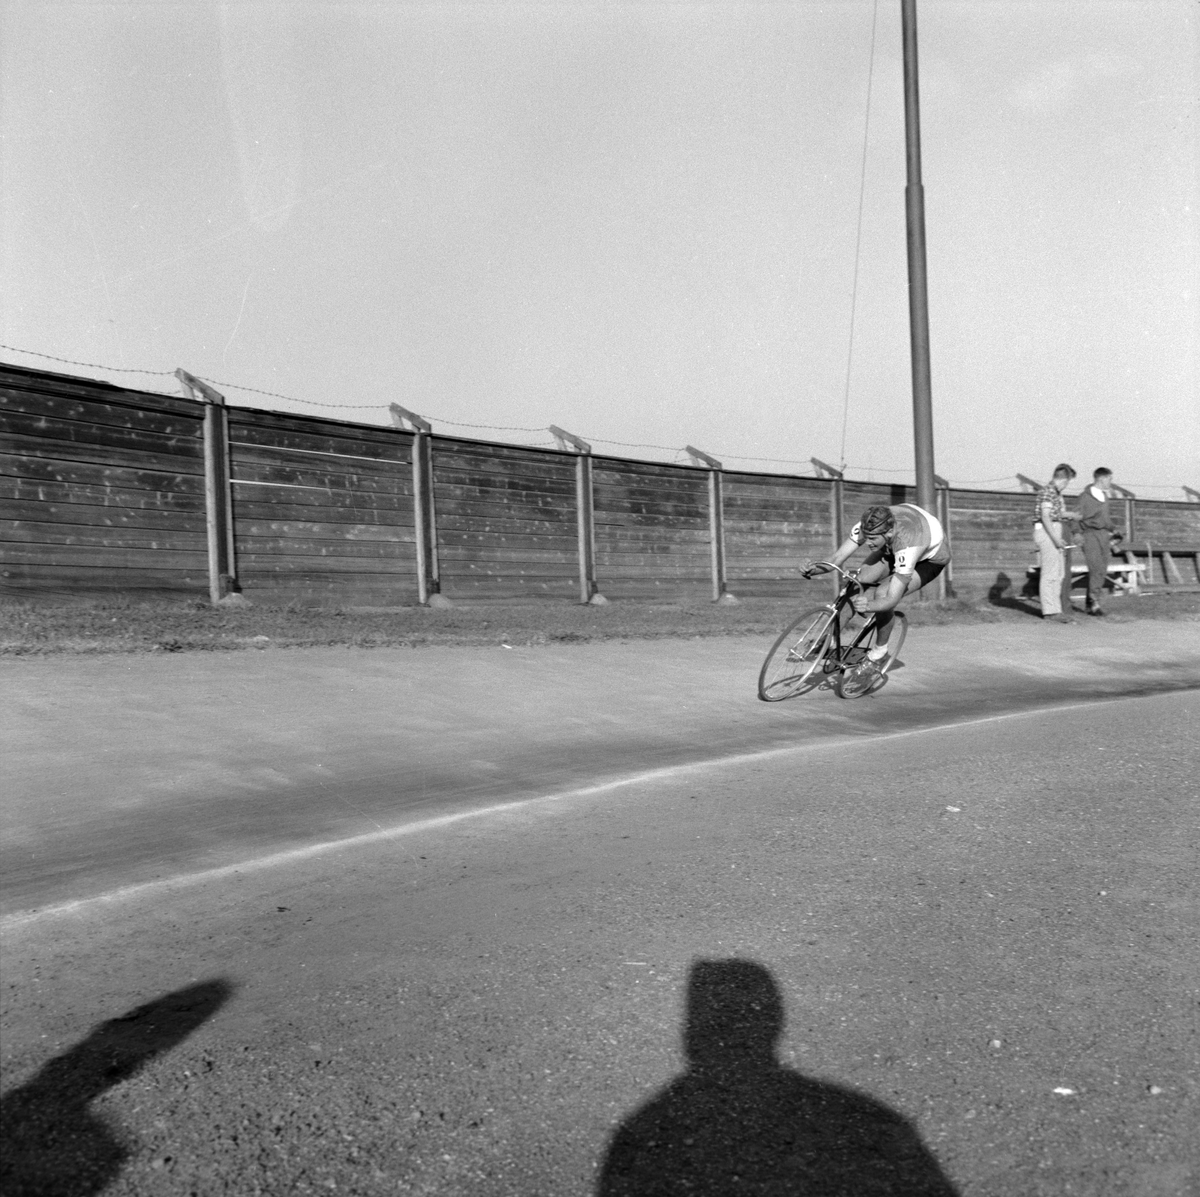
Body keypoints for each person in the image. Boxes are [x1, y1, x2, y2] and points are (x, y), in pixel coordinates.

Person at [801, 502, 950, 680]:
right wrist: (815, 569)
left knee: (882, 594)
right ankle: (831, 640)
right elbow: (837, 557)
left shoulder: (908, 546)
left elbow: (892, 598)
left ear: (888, 532)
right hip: (892, 545)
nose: (867, 542)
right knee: (857, 583)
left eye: (872, 539)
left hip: (929, 560)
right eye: (866, 537)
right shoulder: (871, 525)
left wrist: (869, 605)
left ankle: (879, 653)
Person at [1033, 463, 1078, 623]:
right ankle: (1050, 611)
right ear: (1063, 479)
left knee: (1059, 573)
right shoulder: (1048, 492)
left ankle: (1056, 610)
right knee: (1050, 573)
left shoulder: (1054, 493)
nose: (1066, 486)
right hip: (1048, 532)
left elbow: (1054, 513)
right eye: (1067, 482)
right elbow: (1045, 516)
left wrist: (1070, 515)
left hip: (1054, 530)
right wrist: (1055, 538)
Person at [1078, 468, 1122, 616]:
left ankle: (1090, 603)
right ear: (1101, 479)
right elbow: (1076, 517)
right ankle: (1094, 602)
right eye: (1110, 479)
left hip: (1103, 535)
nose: (1111, 482)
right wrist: (1077, 534)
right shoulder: (1085, 497)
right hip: (1090, 535)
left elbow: (1105, 519)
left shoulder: (1104, 497)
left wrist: (1114, 529)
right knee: (1095, 568)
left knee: (1102, 569)